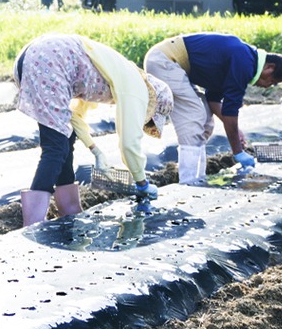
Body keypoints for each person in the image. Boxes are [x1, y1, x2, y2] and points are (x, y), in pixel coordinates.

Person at [11, 32, 174, 226]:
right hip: (50, 62)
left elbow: (74, 117)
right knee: (55, 147)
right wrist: (141, 182)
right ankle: (33, 223)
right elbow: (129, 143)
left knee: (66, 138)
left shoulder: (120, 73)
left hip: (39, 58)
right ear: (152, 103)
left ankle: (68, 210)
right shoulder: (137, 89)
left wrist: (94, 149)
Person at [144, 32, 282, 183]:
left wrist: (236, 131)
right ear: (269, 67)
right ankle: (189, 182)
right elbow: (230, 110)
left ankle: (198, 178)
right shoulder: (245, 62)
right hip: (165, 61)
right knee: (193, 116)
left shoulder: (244, 59)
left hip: (174, 66)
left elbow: (213, 99)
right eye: (273, 81)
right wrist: (238, 152)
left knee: (206, 122)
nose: (269, 86)